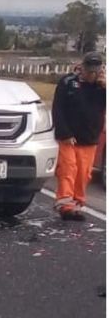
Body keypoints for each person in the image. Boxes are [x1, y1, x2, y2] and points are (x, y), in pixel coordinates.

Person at [51, 52, 106, 221]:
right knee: (68, 169)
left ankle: (77, 204)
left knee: (84, 174)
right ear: (82, 67)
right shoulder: (68, 83)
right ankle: (65, 205)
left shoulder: (101, 87)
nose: (92, 75)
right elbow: (57, 109)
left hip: (89, 138)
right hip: (69, 137)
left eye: (95, 72)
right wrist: (64, 133)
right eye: (90, 72)